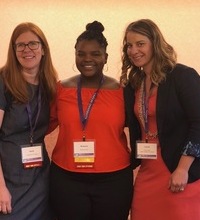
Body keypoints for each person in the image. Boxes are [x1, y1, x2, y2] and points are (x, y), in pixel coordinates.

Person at [49, 21, 133, 220]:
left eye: (95, 54)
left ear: (105, 57)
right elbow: (43, 124)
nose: (88, 59)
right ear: (75, 55)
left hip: (114, 179)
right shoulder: (60, 89)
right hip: (67, 178)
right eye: (81, 54)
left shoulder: (123, 91)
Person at [120, 18, 200, 220]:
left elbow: (199, 123)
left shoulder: (182, 76)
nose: (133, 50)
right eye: (129, 45)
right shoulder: (135, 83)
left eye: (140, 44)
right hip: (147, 172)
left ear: (155, 43)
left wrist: (183, 169)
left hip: (178, 170)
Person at [0, 22, 58, 219]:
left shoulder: (49, 84)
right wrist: (0, 188)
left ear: (43, 49)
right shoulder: (3, 81)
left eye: (33, 44)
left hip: (39, 175)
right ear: (13, 50)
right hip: (8, 178)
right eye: (20, 45)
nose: (27, 50)